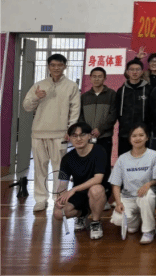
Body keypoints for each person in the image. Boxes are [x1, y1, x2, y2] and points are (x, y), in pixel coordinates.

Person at [23, 53, 80, 212]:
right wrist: (36, 97)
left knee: (60, 169)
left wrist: (71, 130)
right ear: (48, 67)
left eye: (59, 65)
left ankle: (59, 198)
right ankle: (40, 199)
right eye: (53, 65)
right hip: (38, 133)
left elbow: (75, 109)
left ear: (65, 66)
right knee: (39, 167)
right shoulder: (39, 85)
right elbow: (26, 106)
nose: (56, 68)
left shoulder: (71, 86)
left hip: (60, 134)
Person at [53, 122, 109, 240]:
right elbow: (62, 184)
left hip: (99, 190)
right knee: (58, 213)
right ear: (69, 138)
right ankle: (82, 214)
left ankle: (95, 222)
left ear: (89, 136)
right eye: (74, 136)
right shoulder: (67, 159)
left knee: (96, 190)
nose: (78, 139)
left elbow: (98, 179)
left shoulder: (99, 151)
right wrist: (59, 198)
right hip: (80, 193)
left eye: (82, 135)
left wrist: (73, 189)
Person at [110, 123, 156, 245]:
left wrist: (148, 184)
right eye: (134, 136)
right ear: (129, 139)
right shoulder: (122, 159)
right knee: (118, 220)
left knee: (147, 196)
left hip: (146, 196)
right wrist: (118, 202)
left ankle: (148, 230)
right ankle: (135, 220)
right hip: (128, 197)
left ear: (147, 137)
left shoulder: (154, 155)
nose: (138, 138)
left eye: (141, 135)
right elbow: (116, 184)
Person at [78, 67, 116, 189]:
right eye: (94, 76)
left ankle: (105, 190)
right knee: (88, 162)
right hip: (88, 137)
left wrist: (100, 129)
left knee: (104, 163)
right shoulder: (84, 96)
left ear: (105, 78)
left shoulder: (111, 94)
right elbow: (80, 115)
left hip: (104, 136)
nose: (97, 79)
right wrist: (86, 131)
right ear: (90, 78)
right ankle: (87, 190)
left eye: (100, 76)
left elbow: (113, 115)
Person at [116, 59, 152, 156]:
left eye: (137, 69)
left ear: (142, 72)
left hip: (143, 134)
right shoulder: (121, 90)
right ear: (127, 72)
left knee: (143, 160)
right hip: (125, 133)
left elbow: (152, 111)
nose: (135, 72)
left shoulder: (148, 89)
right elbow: (117, 111)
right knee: (124, 159)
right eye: (132, 69)